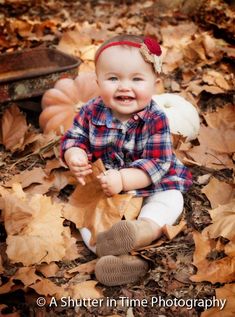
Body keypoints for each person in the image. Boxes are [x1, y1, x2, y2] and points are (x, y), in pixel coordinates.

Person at [61, 34, 192, 286]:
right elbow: (75, 136)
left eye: (136, 79)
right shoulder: (91, 110)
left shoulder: (156, 118)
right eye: (113, 78)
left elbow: (158, 163)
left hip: (151, 181)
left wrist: (124, 178)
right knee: (87, 219)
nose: (124, 86)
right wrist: (74, 153)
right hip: (107, 183)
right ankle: (119, 258)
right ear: (98, 82)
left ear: (156, 83)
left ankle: (143, 230)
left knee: (169, 200)